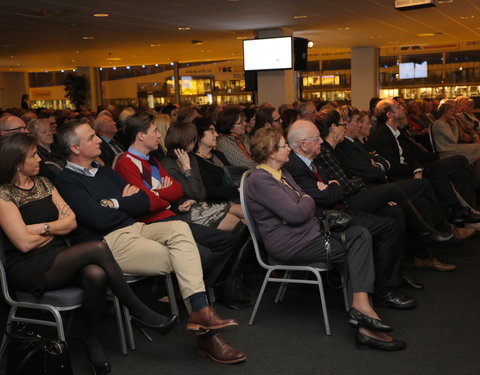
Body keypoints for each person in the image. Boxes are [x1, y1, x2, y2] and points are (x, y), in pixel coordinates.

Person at [54, 119, 246, 365]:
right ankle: (207, 332)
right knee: (187, 257)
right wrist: (123, 202)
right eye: (91, 137)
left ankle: (200, 313)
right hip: (109, 243)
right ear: (75, 148)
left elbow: (142, 202)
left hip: (137, 227)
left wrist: (112, 202)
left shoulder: (104, 171)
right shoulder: (66, 182)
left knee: (179, 227)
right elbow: (97, 219)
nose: (99, 140)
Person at [0, 133, 178, 374]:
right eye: (33, 156)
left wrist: (40, 229)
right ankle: (139, 311)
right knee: (97, 248)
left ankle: (93, 344)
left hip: (60, 256)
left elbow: (71, 222)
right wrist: (53, 228)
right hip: (29, 267)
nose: (39, 159)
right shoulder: (4, 195)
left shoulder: (44, 183)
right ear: (17, 162)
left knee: (96, 274)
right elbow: (22, 244)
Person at [244, 127, 406, 351]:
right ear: (271, 152)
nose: (288, 149)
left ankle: (362, 311)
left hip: (307, 234)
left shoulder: (283, 173)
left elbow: (300, 207)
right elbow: (298, 212)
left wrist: (303, 201)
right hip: (290, 245)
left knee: (359, 235)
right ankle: (365, 318)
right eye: (283, 146)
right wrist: (307, 199)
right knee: (356, 246)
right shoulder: (260, 180)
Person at [369, 98, 480, 224]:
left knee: (462, 174)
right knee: (456, 162)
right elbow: (394, 166)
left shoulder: (395, 131)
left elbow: (411, 155)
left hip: (414, 168)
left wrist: (417, 168)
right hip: (401, 175)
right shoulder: (382, 134)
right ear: (390, 115)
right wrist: (417, 169)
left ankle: (460, 212)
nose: (403, 108)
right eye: (398, 107)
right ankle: (460, 210)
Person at [161, 121, 244, 231]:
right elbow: (195, 194)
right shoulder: (169, 165)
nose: (195, 142)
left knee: (247, 214)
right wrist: (187, 168)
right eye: (193, 139)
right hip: (189, 210)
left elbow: (201, 194)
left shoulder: (191, 158)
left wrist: (187, 166)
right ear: (186, 141)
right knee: (240, 224)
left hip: (202, 204)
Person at [193, 117, 242, 202]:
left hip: (233, 197)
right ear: (199, 135)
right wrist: (236, 191)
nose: (216, 134)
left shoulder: (218, 155)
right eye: (211, 131)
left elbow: (231, 176)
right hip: (215, 203)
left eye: (215, 131)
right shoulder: (195, 160)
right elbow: (208, 191)